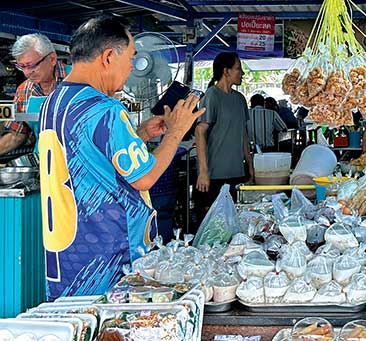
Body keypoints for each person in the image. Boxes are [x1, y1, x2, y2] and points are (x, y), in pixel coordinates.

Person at [37, 16, 203, 298]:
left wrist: (138, 135)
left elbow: (89, 158)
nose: (130, 69)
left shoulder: (53, 102)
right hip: (109, 267)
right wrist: (176, 132)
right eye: (131, 59)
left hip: (66, 265)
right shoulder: (106, 110)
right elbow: (145, 178)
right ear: (109, 56)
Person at [195, 52, 253, 214]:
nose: (242, 73)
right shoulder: (211, 96)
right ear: (226, 72)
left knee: (233, 218)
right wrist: (203, 172)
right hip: (213, 174)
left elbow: (243, 135)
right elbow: (200, 133)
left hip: (236, 172)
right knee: (212, 222)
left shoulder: (240, 99)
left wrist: (250, 164)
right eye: (238, 69)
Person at [0, 33, 67, 156]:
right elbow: (17, 136)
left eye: (31, 66)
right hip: (44, 164)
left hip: (81, 165)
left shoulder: (80, 80)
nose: (27, 73)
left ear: (52, 59)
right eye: (22, 67)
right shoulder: (23, 91)